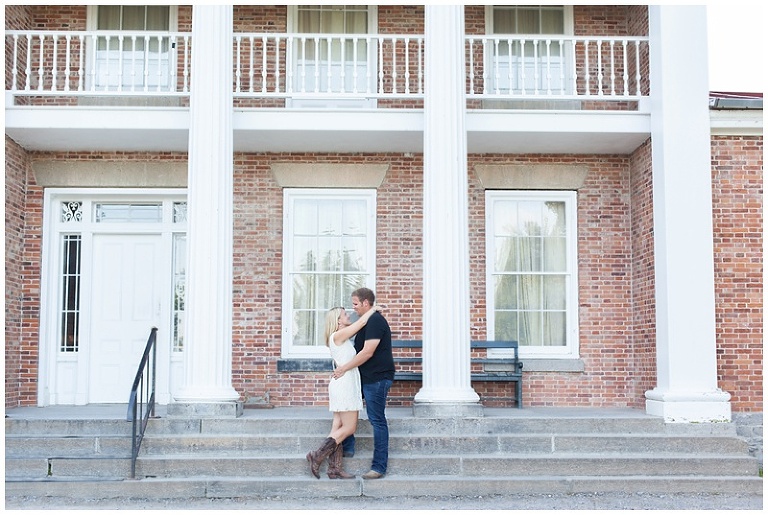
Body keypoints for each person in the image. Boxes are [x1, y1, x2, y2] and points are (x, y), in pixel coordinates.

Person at [305, 304, 382, 480]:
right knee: (349, 427)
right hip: (344, 384)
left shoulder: (340, 338)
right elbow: (361, 323)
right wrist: (373, 309)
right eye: (345, 314)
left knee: (338, 427)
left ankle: (334, 469)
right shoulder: (338, 335)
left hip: (344, 382)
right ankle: (317, 455)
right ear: (338, 321)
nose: (348, 316)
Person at [333, 287, 394, 480]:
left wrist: (344, 368)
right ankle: (347, 450)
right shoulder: (366, 320)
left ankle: (379, 467)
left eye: (356, 304)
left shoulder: (375, 321)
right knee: (347, 409)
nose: (353, 308)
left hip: (376, 378)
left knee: (377, 420)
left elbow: (367, 352)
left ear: (366, 303)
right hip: (362, 377)